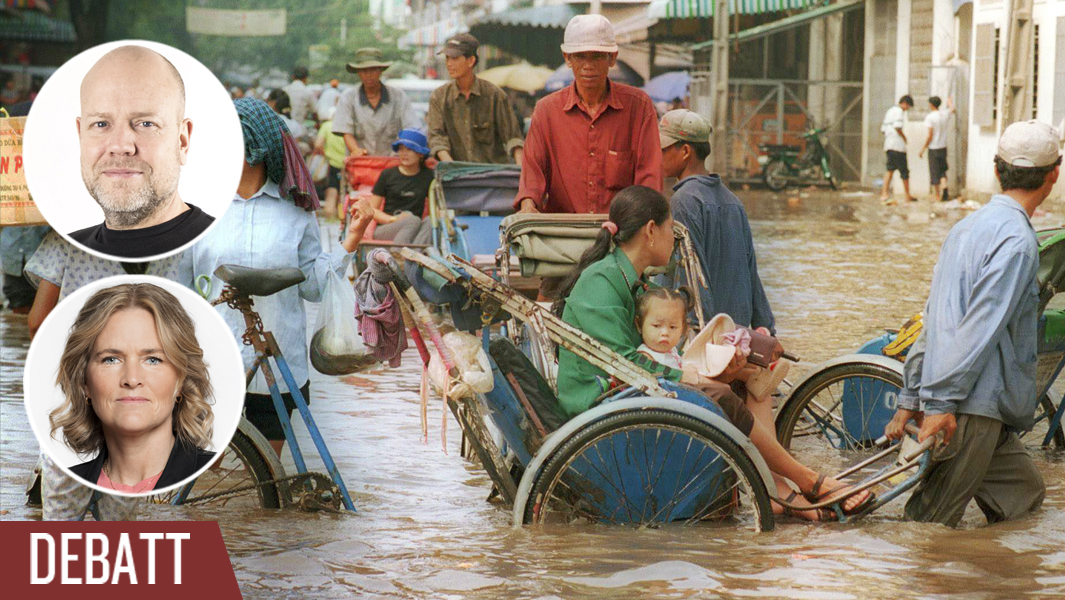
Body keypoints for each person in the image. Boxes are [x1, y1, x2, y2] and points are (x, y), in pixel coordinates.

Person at [555, 185, 872, 521]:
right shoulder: (602, 281)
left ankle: (778, 489)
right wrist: (693, 377)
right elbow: (623, 363)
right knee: (719, 393)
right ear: (651, 231)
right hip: (599, 399)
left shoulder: (632, 282)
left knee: (753, 373)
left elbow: (652, 353)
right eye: (670, 229)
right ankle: (806, 480)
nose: (673, 240)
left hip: (632, 387)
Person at [177, 98, 373, 457]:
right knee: (203, 474)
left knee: (269, 472)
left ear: (253, 150)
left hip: (277, 360)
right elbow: (178, 288)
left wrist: (352, 239)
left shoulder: (295, 211)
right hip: (209, 359)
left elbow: (313, 287)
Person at [884, 120, 1056, 527]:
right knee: (929, 528)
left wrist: (913, 396)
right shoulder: (1017, 241)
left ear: (998, 171)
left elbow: (935, 317)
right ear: (1053, 176)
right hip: (969, 406)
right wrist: (937, 404)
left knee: (1025, 496)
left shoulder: (964, 228)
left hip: (980, 404)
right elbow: (979, 327)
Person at [515, 14, 662, 300]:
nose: (588, 65)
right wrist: (528, 205)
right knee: (549, 319)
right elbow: (532, 173)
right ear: (567, 58)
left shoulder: (638, 106)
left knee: (633, 319)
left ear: (612, 58)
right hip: (560, 248)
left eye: (597, 56)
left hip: (621, 247)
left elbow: (649, 181)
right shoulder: (546, 111)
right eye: (580, 56)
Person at [50, 283, 216, 493]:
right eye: (111, 359)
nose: (132, 378)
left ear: (181, 381)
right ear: (84, 383)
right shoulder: (59, 486)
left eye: (153, 360)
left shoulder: (216, 484)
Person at [70, 45, 215, 258]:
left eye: (146, 124)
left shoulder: (222, 251)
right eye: (101, 124)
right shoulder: (65, 251)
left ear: (182, 141)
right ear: (80, 135)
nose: (120, 146)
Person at [658, 109, 774, 332]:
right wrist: (765, 326)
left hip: (709, 332)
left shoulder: (684, 200)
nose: (657, 155)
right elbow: (751, 270)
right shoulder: (733, 200)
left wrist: (700, 332)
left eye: (663, 149)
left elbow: (691, 276)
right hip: (735, 333)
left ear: (685, 151)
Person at [427, 33, 524, 165]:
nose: (449, 63)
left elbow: (513, 137)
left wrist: (521, 171)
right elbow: (437, 137)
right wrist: (451, 166)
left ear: (471, 61)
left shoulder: (495, 95)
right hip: (455, 175)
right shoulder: (439, 97)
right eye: (447, 58)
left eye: (454, 58)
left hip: (492, 176)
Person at [333, 48, 419, 157]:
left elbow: (411, 128)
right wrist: (356, 150)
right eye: (364, 71)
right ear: (358, 72)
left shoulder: (399, 97)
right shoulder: (348, 97)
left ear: (380, 71)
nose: (368, 75)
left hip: (393, 163)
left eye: (373, 70)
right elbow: (346, 132)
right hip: (360, 164)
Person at [366, 129, 434, 245]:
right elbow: (372, 210)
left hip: (415, 228)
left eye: (410, 149)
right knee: (412, 220)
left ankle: (414, 259)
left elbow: (436, 208)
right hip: (387, 227)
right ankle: (398, 257)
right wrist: (394, 219)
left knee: (431, 221)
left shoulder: (429, 176)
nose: (404, 153)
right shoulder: (388, 174)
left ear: (421, 154)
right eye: (401, 149)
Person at [634, 287, 692, 370]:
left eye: (672, 327)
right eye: (657, 326)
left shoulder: (673, 351)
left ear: (682, 328)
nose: (665, 333)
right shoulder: (646, 357)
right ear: (639, 325)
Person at [879, 95, 916, 204]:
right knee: (904, 171)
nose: (907, 109)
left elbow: (883, 129)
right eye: (908, 106)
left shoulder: (890, 111)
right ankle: (907, 195)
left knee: (890, 170)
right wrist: (904, 138)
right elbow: (897, 127)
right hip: (897, 146)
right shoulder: (899, 111)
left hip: (889, 144)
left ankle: (884, 193)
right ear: (904, 103)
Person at [918, 96, 955, 202]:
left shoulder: (930, 117)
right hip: (943, 147)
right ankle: (945, 188)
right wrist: (950, 101)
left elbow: (930, 135)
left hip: (933, 148)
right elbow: (952, 109)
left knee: (934, 172)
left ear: (931, 105)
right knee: (942, 170)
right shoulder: (944, 114)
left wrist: (923, 149)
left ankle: (938, 195)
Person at [313, 106, 347, 219]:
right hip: (348, 165)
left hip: (332, 164)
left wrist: (325, 153)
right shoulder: (348, 127)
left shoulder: (327, 126)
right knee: (345, 193)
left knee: (332, 190)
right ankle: (341, 218)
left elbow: (318, 144)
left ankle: (330, 217)